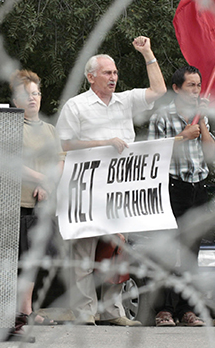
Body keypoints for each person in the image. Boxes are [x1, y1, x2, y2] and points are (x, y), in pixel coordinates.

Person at [55, 36, 166, 326]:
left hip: (120, 190)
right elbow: (65, 144)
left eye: (115, 72)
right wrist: (105, 142)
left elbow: (159, 90)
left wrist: (147, 53)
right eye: (107, 72)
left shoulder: (126, 101)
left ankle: (112, 311)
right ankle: (84, 312)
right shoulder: (76, 106)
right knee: (84, 253)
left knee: (117, 252)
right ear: (91, 77)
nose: (114, 77)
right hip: (86, 190)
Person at [148, 65, 215, 327]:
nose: (196, 91)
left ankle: (187, 308)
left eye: (198, 85)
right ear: (176, 88)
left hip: (198, 187)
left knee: (191, 252)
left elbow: (210, 153)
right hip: (171, 187)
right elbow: (152, 154)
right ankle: (163, 309)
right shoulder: (162, 116)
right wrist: (182, 137)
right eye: (190, 86)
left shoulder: (201, 116)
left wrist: (203, 126)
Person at [10, 69, 64, 326]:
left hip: (43, 202)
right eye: (26, 94)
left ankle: (27, 309)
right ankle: (20, 311)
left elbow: (60, 161)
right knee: (20, 257)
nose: (33, 98)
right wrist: (40, 179)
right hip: (17, 201)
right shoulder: (10, 125)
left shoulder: (51, 130)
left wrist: (48, 184)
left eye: (36, 93)